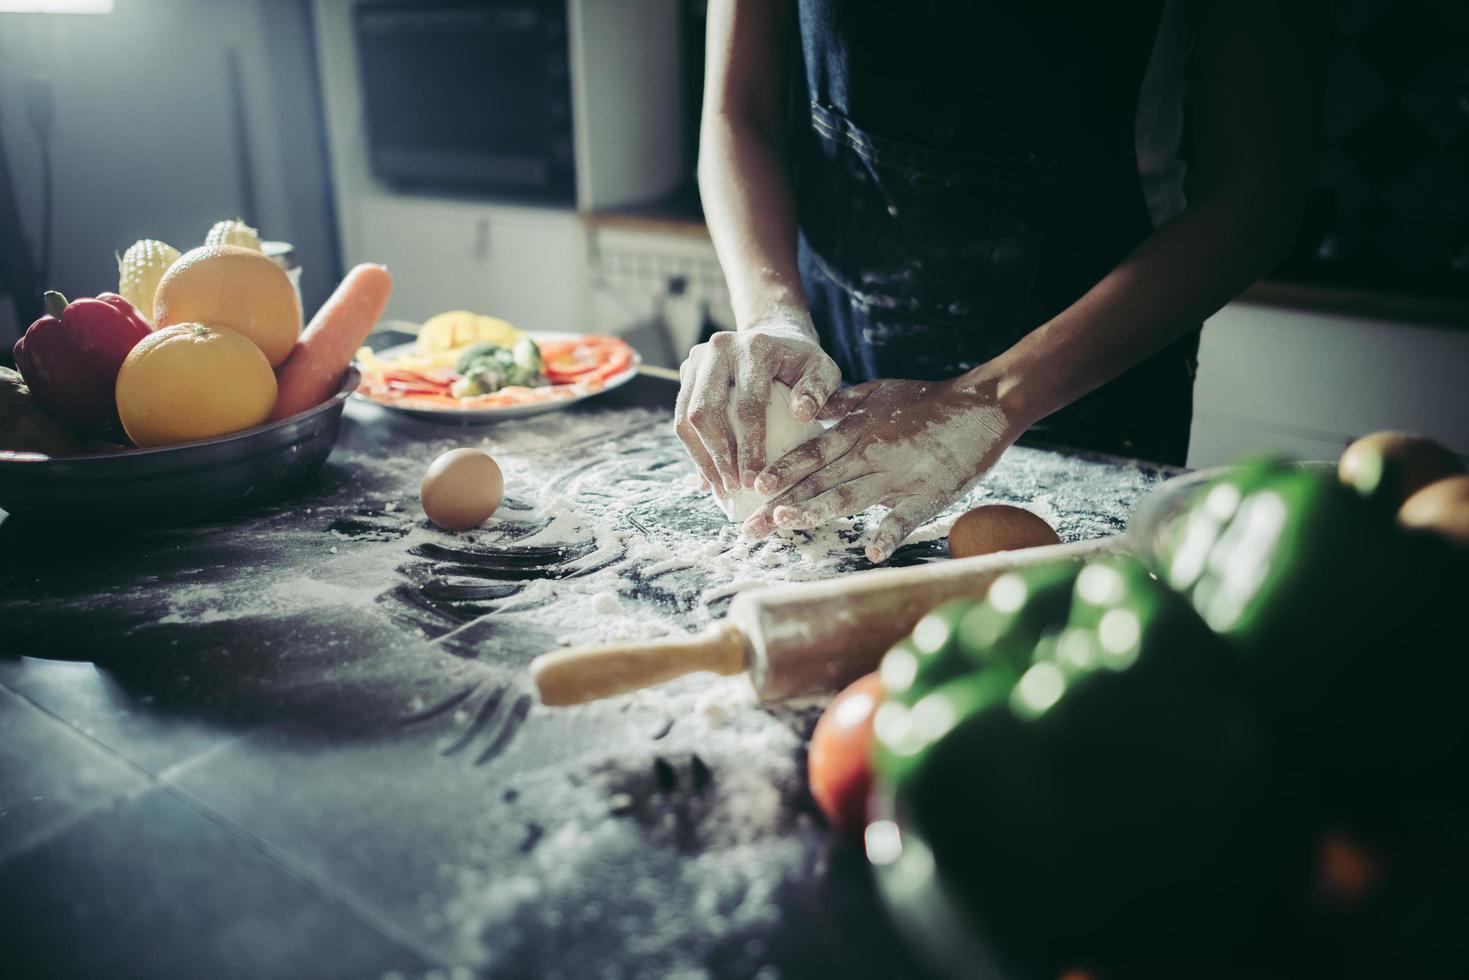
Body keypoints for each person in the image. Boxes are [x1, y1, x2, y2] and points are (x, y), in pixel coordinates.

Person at [675, 0, 1321, 563]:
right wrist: (770, 313)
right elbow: (740, 113)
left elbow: (1259, 194)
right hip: (831, 351)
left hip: (1084, 373)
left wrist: (992, 400)